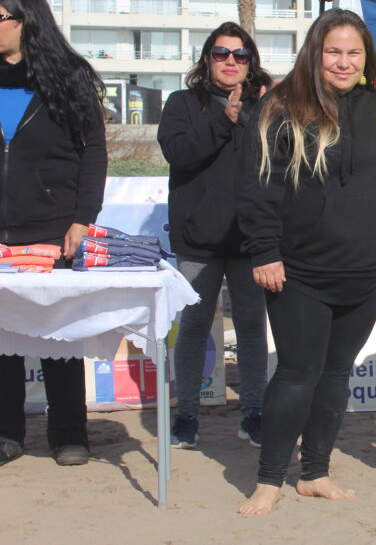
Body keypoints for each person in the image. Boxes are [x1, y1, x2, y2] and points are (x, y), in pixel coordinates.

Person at [235, 9, 376, 515]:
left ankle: (315, 473)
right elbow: (256, 185)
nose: (344, 61)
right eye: (334, 51)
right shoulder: (281, 106)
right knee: (296, 372)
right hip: (300, 270)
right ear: (316, 52)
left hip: (364, 268)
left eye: (354, 52)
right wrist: (264, 250)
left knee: (335, 374)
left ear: (366, 57)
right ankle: (269, 479)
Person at [0, 0, 107, 466]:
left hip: (51, 227)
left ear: (26, 23)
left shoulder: (70, 77)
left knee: (56, 338)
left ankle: (69, 433)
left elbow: (93, 153)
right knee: (2, 338)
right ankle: (7, 433)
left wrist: (83, 218)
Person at [158, 22, 272, 449]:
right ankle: (186, 415)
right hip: (198, 242)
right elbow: (179, 153)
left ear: (250, 63)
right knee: (193, 329)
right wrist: (224, 120)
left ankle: (254, 412)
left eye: (240, 55)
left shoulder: (264, 105)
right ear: (207, 59)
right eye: (221, 53)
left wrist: (263, 106)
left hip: (251, 241)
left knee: (251, 328)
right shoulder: (182, 103)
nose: (230, 61)